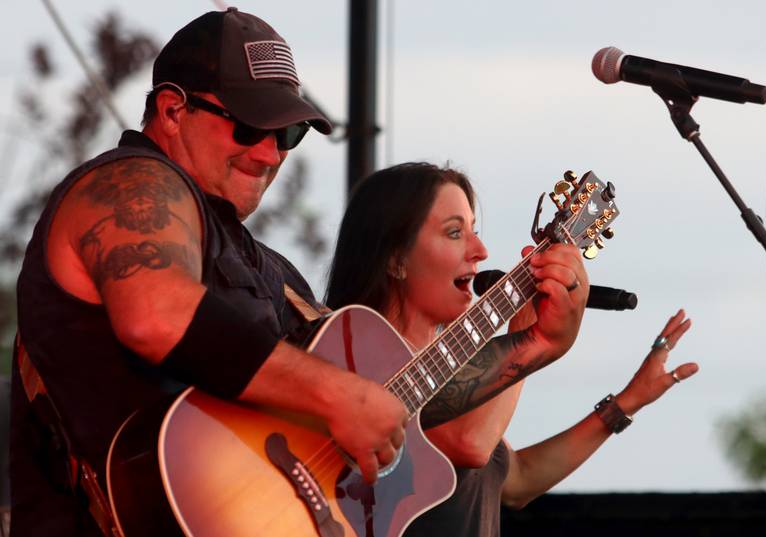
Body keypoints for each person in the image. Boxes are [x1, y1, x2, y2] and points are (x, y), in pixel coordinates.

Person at [10, 9, 588, 537]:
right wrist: (336, 394)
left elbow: (391, 405)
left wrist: (532, 343)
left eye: (285, 134)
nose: (268, 154)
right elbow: (158, 315)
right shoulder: (133, 185)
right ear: (172, 110)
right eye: (246, 127)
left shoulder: (272, 269)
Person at [325, 162, 700, 537]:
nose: (481, 250)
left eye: (475, 231)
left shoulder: (456, 370)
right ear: (395, 259)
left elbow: (518, 479)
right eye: (455, 232)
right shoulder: (353, 360)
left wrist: (626, 403)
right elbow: (470, 444)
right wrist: (525, 336)